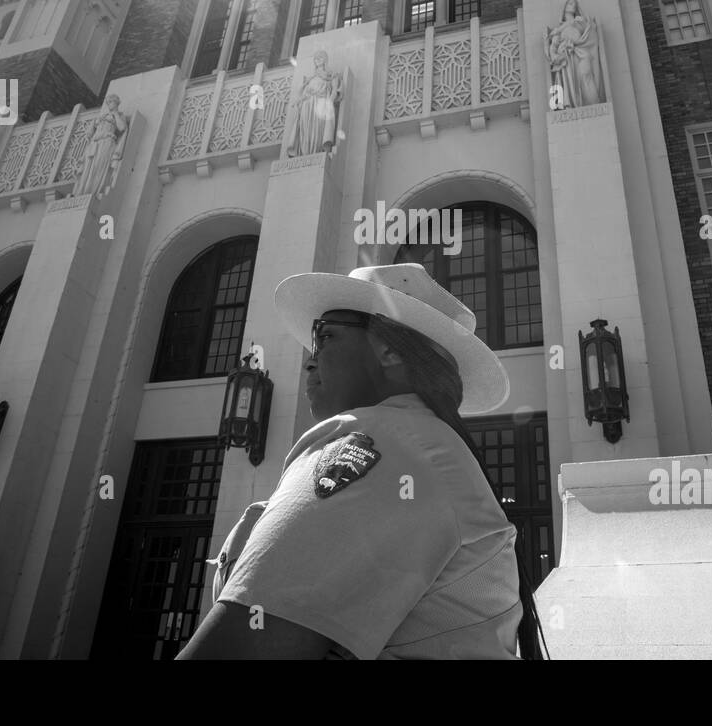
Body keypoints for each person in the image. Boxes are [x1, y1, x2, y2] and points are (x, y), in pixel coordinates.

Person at [178, 263, 546, 659]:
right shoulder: (423, 443)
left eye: (325, 336)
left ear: (388, 349)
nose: (310, 360)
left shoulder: (383, 439)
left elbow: (240, 646)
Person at [544, 0, 604, 108]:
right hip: (566, 57)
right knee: (570, 82)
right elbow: (553, 47)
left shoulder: (580, 21)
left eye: (574, 4)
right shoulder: (558, 30)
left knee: (586, 74)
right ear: (565, 7)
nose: (573, 5)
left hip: (581, 52)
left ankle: (594, 103)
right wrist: (557, 55)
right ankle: (572, 104)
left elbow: (590, 34)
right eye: (570, 3)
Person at [284, 50, 341, 157]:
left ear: (325, 60)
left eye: (320, 58)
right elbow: (303, 93)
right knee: (306, 130)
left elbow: (334, 91)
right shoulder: (311, 78)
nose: (317, 60)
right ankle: (305, 153)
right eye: (315, 58)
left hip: (320, 104)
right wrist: (299, 101)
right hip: (307, 105)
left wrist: (330, 102)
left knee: (318, 130)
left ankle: (316, 152)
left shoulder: (332, 75)